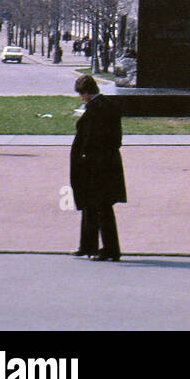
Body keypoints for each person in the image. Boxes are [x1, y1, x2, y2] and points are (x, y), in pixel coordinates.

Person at [70, 74, 126, 261]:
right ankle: (89, 245)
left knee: (98, 207)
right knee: (95, 206)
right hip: (107, 163)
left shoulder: (96, 109)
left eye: (81, 94)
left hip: (95, 166)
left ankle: (108, 249)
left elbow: (92, 139)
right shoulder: (108, 105)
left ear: (86, 93)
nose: (81, 98)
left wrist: (85, 158)